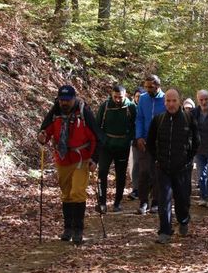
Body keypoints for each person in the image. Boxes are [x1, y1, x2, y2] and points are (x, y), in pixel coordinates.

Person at [37, 85, 102, 244]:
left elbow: (97, 137)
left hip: (82, 158)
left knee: (77, 192)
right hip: (63, 158)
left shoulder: (84, 112)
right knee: (66, 193)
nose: (64, 103)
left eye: (67, 100)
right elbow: (45, 131)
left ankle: (78, 230)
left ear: (74, 99)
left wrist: (94, 159)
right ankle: (68, 228)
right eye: (62, 100)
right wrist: (42, 135)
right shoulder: (55, 112)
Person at [147, 89, 200, 244]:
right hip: (163, 168)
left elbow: (196, 142)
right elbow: (150, 143)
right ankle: (165, 231)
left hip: (182, 168)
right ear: (164, 102)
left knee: (182, 199)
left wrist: (188, 160)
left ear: (179, 101)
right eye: (168, 101)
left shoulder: (189, 118)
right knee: (164, 199)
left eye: (174, 101)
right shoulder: (158, 120)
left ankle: (183, 220)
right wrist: (157, 159)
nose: (171, 104)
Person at [95, 84, 136, 213]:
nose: (118, 100)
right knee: (102, 173)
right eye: (115, 97)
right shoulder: (105, 106)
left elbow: (136, 125)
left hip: (122, 146)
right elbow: (97, 125)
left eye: (120, 97)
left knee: (120, 175)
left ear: (125, 96)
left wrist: (128, 139)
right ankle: (102, 203)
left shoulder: (131, 107)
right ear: (112, 95)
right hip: (106, 146)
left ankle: (117, 203)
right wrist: (103, 140)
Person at [135, 75, 166, 215]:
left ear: (157, 86)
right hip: (145, 141)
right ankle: (143, 202)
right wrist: (139, 136)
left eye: (150, 87)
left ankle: (156, 202)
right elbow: (139, 118)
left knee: (158, 172)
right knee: (144, 171)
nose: (147, 89)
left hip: (161, 142)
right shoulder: (143, 98)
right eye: (146, 86)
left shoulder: (165, 99)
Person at [128, 88, 143, 201]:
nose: (138, 98)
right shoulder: (130, 108)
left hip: (147, 139)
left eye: (141, 96)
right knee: (135, 164)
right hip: (134, 140)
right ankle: (136, 189)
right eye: (137, 96)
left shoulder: (147, 107)